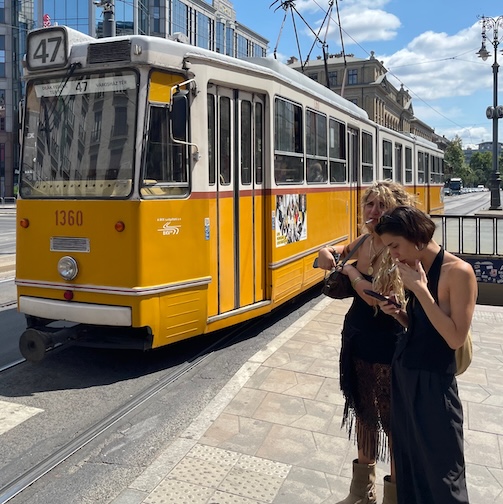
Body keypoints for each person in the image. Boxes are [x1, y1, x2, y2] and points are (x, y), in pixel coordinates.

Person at [317, 181, 415, 504]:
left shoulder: (399, 249)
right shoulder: (361, 243)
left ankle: (394, 497)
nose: (374, 211)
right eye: (369, 204)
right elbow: (331, 258)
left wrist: (354, 276)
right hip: (357, 342)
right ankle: (361, 491)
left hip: (389, 348)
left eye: (381, 205)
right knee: (363, 416)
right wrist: (327, 256)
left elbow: (378, 299)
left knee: (393, 425)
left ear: (396, 210)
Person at [374, 206, 476, 504]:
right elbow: (426, 328)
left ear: (416, 237)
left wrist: (420, 291)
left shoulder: (458, 272)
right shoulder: (419, 270)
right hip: (406, 375)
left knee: (444, 474)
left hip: (434, 385)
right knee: (410, 466)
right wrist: (401, 315)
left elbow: (455, 337)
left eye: (395, 246)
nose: (393, 255)